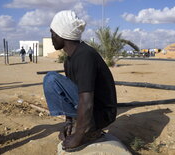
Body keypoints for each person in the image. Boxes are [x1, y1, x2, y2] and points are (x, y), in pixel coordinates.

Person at [43, 10, 117, 152]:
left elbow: (86, 100)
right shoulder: (69, 60)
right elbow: (73, 93)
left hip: (101, 114)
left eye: (53, 33)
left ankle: (91, 131)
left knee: (51, 79)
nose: (51, 37)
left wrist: (78, 136)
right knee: (54, 81)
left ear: (62, 34)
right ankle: (80, 124)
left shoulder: (85, 55)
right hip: (92, 109)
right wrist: (69, 122)